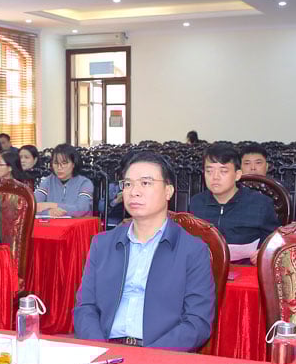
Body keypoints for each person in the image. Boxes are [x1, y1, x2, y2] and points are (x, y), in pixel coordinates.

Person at [74, 150, 215, 350]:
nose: (134, 191)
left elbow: (197, 323)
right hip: (106, 349)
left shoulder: (193, 250)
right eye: (128, 184)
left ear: (168, 191)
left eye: (146, 183)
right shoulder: (102, 244)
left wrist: (148, 358)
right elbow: (85, 308)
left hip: (161, 355)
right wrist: (99, 350)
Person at [189, 143, 280, 260]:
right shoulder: (196, 203)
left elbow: (276, 240)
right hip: (205, 268)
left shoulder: (261, 204)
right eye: (209, 171)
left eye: (223, 171)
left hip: (247, 268)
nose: (215, 177)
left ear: (237, 175)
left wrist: (265, 252)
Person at [35, 143, 94, 217]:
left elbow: (81, 209)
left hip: (79, 226)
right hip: (55, 225)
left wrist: (52, 205)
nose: (59, 168)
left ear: (73, 164)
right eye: (56, 163)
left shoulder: (85, 183)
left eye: (64, 163)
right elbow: (33, 206)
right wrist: (48, 213)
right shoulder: (47, 181)